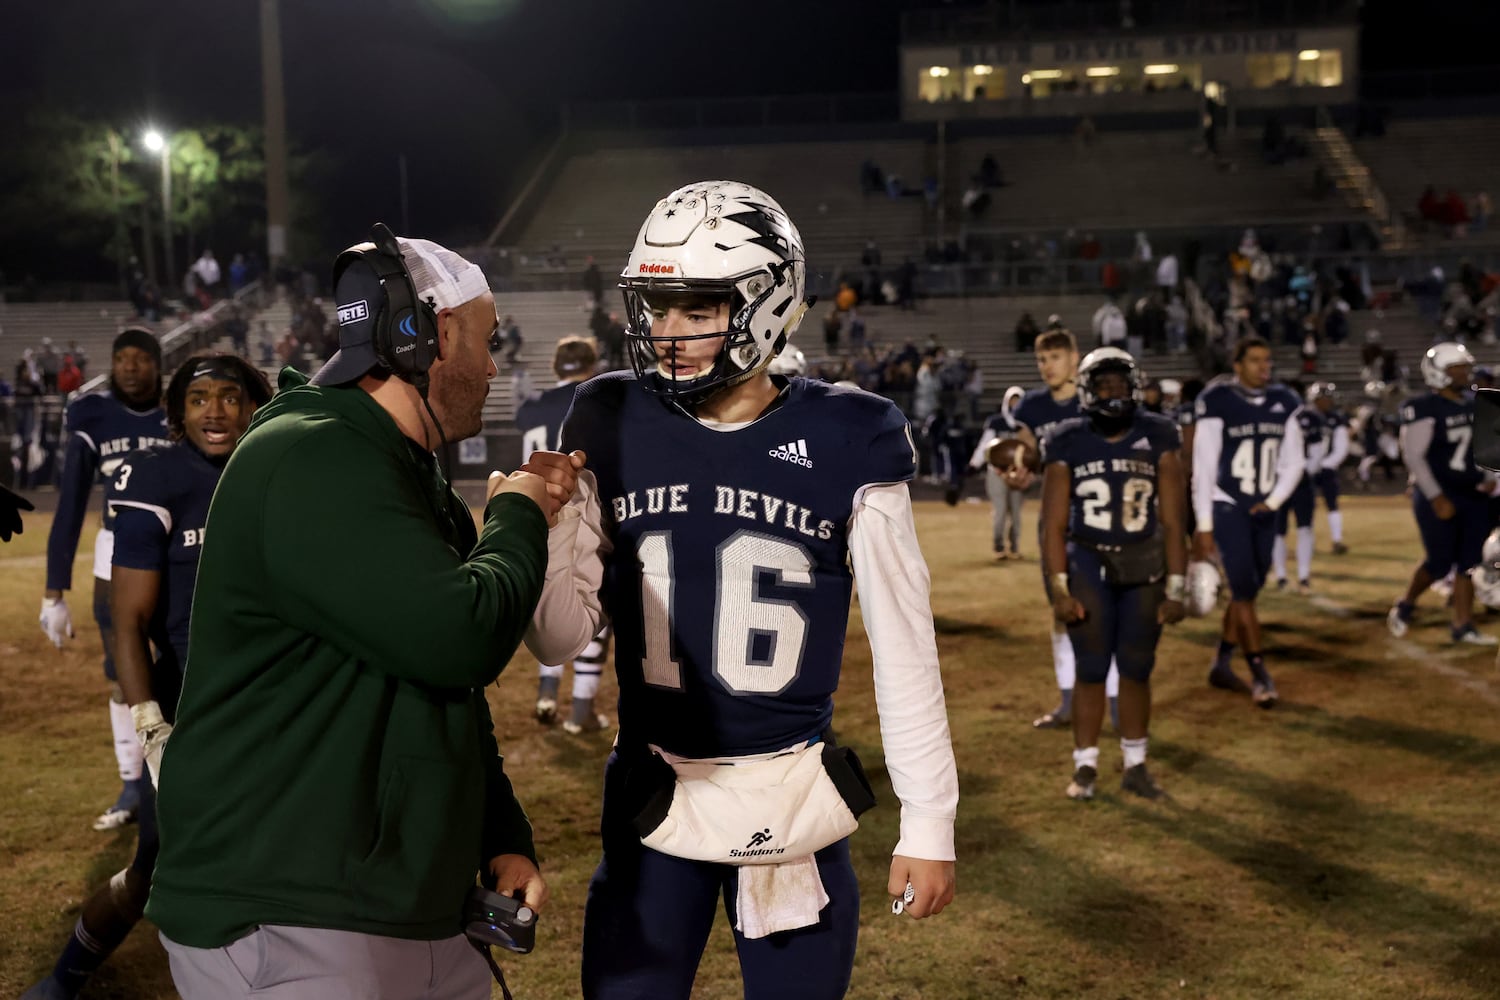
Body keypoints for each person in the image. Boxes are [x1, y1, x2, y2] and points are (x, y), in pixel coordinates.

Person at [522, 181, 957, 1000]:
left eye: (696, 310)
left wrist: (930, 821)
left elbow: (905, 645)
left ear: (769, 303)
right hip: (651, 784)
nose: (668, 333)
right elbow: (555, 642)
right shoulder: (607, 415)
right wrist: (547, 532)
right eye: (657, 308)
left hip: (791, 796)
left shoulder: (848, 432)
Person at [145, 229, 559, 999]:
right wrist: (518, 513)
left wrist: (499, 833)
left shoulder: (385, 460)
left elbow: (441, 690)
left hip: (386, 901)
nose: (493, 365)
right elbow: (458, 638)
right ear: (427, 335)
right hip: (290, 904)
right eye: (485, 339)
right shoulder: (310, 454)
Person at [22, 354, 272, 1000]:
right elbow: (126, 619)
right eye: (199, 400)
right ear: (177, 414)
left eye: (229, 398)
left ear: (252, 407)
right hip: (192, 699)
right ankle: (66, 975)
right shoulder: (156, 476)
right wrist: (148, 724)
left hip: (277, 698)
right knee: (155, 864)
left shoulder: (277, 468)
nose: (215, 411)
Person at [1040, 348, 1187, 801]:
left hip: (1144, 561)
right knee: (1091, 667)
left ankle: (1137, 764)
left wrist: (1178, 584)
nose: (1113, 393)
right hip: (1089, 558)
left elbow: (1174, 518)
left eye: (1120, 385)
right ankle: (1085, 766)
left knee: (1138, 667)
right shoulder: (1067, 438)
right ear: (1087, 391)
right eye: (1103, 386)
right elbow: (1053, 523)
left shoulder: (1159, 433)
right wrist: (1058, 588)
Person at [41, 328, 170, 832]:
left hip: (178, 555)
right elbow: (71, 505)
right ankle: (132, 782)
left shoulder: (178, 410)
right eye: (122, 359)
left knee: (183, 668)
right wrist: (54, 590)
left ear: (158, 366)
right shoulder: (93, 416)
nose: (131, 367)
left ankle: (177, 782)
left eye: (142, 358)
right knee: (124, 672)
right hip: (114, 558)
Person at [1005, 328, 1120, 730]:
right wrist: (1018, 471)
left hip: (1105, 521)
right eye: (1041, 359)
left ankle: (1117, 703)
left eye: (1055, 356)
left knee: (1113, 610)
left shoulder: (1096, 400)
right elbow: (1026, 454)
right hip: (1057, 524)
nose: (1047, 365)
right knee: (1063, 608)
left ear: (1075, 359)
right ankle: (1069, 701)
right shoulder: (1033, 407)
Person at [1192, 337, 1306, 707]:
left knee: (1249, 591)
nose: (1263, 367)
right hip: (1228, 505)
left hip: (1263, 510)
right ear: (1237, 364)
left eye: (1267, 360)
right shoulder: (1217, 400)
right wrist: (1205, 524)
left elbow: (1294, 462)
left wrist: (1272, 501)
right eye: (1255, 360)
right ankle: (1259, 673)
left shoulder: (1284, 402)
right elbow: (1204, 466)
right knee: (1242, 592)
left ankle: (1222, 663)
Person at [515, 335, 613, 733]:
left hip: (537, 514)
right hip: (580, 511)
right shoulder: (597, 403)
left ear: (556, 366)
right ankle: (579, 712)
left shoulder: (531, 408)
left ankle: (546, 693)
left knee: (551, 605)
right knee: (590, 611)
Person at [1387, 343, 1498, 645]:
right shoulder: (1422, 407)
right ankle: (1406, 604)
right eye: (1456, 368)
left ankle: (1463, 624)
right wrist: (1436, 496)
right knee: (1438, 562)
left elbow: (1485, 446)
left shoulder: (1475, 403)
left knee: (1470, 562)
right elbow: (1414, 456)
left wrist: (1489, 475)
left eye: (1464, 366)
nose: (1464, 373)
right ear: (1437, 373)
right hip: (1439, 492)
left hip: (1473, 493)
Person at [971, 385, 1026, 559]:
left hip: (1018, 472)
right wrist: (975, 462)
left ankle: (1015, 547)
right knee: (1000, 511)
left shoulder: (1025, 424)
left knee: (1016, 513)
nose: (1015, 404)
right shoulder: (996, 422)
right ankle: (999, 546)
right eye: (1012, 400)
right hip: (997, 472)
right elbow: (985, 444)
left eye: (1018, 400)